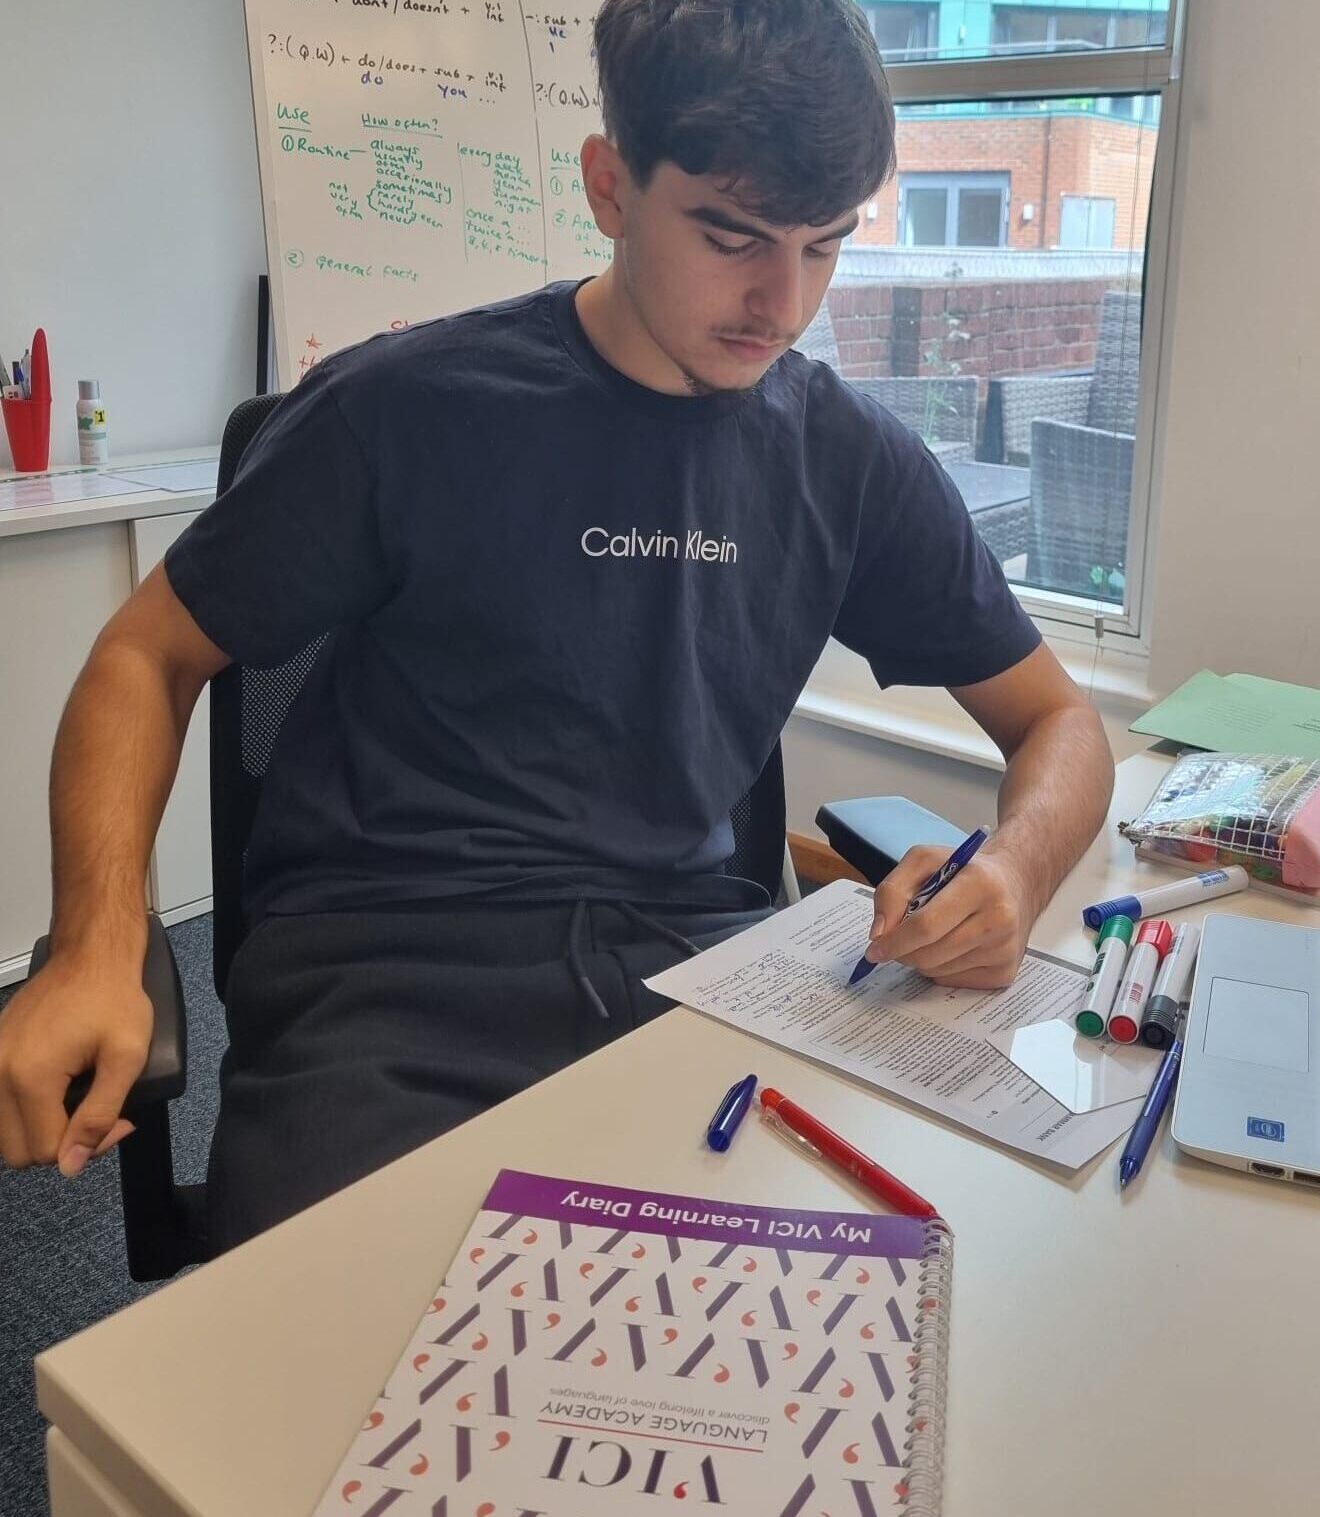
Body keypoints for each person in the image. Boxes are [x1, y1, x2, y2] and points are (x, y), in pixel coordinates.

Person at [0, 0, 1114, 1252]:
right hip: (393, 989)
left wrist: (1014, 870)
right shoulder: (405, 409)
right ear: (609, 186)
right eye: (731, 235)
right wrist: (94, 943)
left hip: (698, 977)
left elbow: (1059, 720)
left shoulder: (840, 458)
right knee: (330, 1389)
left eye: (823, 247)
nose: (779, 301)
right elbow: (145, 653)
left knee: (880, 1309)